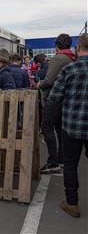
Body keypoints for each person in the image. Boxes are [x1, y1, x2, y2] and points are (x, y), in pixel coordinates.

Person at [45, 33, 88, 218]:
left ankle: (72, 204)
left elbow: (54, 97)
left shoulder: (70, 69)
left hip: (73, 126)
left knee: (70, 165)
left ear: (78, 48)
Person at [37, 34, 76, 174]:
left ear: (57, 45)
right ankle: (61, 159)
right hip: (66, 99)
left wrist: (38, 84)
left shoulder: (58, 58)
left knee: (47, 128)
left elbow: (49, 80)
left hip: (53, 99)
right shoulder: (72, 58)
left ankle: (53, 161)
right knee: (60, 130)